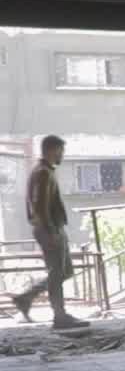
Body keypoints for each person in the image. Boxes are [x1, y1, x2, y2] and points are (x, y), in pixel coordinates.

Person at [11, 135, 88, 329]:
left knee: (64, 271)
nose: (62, 154)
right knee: (57, 273)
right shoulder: (43, 173)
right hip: (49, 228)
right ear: (52, 150)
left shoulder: (44, 171)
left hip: (52, 227)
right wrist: (51, 231)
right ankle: (59, 316)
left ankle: (26, 298)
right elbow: (40, 205)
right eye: (61, 150)